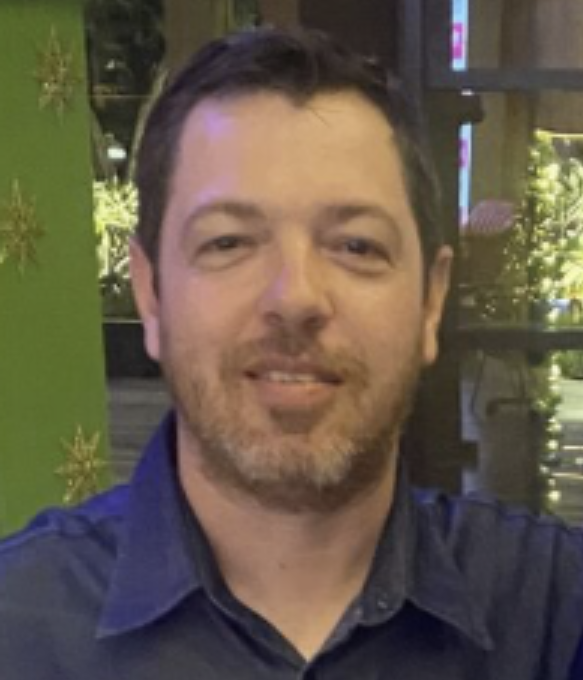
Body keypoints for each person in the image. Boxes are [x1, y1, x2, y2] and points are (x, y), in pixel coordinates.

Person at [1, 27, 582, 679]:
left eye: (357, 246)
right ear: (150, 294)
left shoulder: (553, 618)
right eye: (227, 242)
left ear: (430, 301)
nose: (295, 297)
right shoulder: (20, 629)